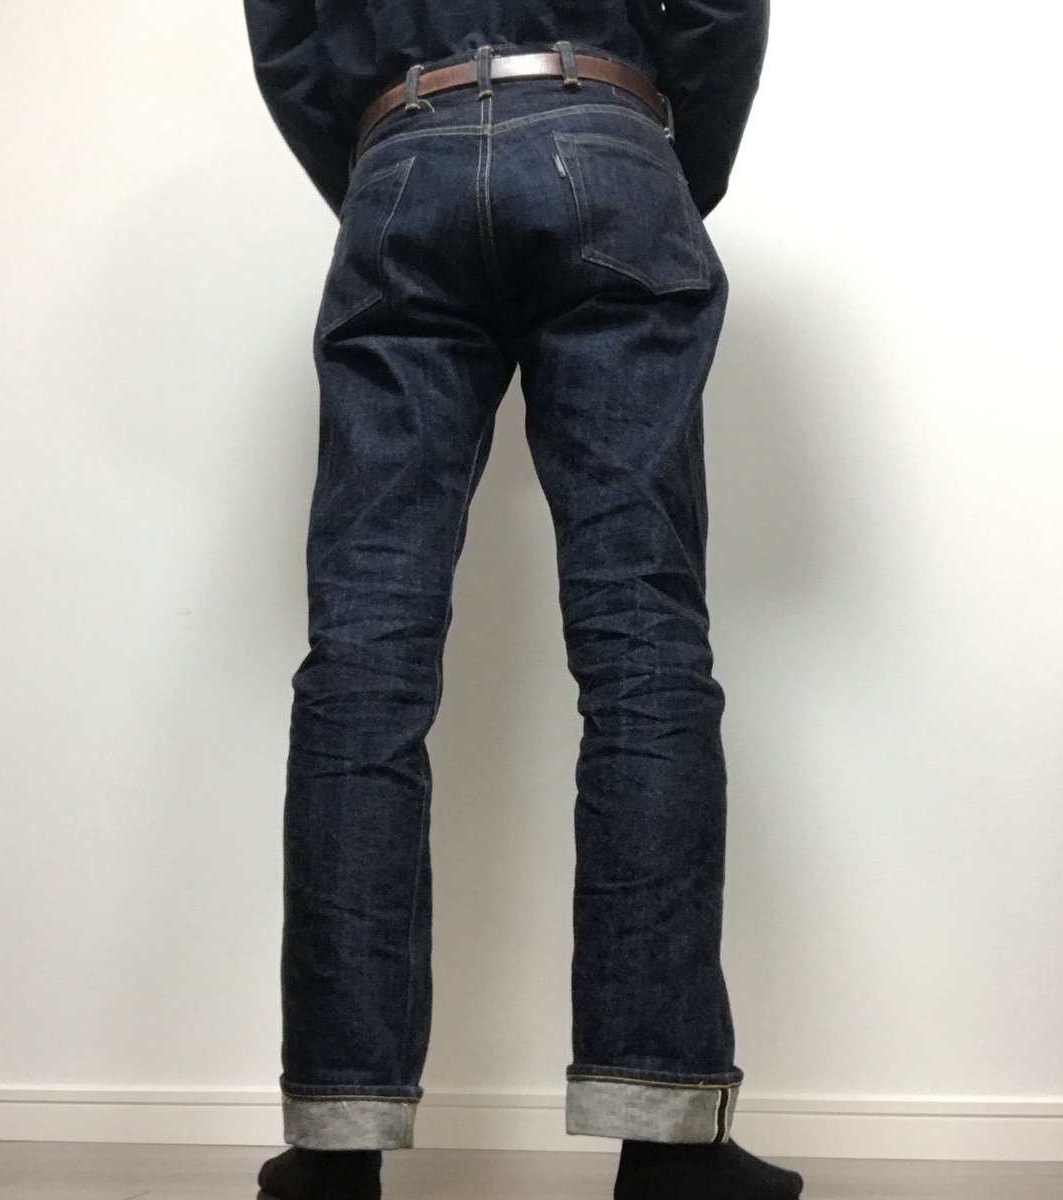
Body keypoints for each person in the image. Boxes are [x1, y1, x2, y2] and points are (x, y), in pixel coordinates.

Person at [242, 4, 801, 1199]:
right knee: (642, 636)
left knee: (364, 653)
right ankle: (667, 1135)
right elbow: (717, 12)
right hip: (608, 129)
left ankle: (332, 1147)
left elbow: (288, 32)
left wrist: (389, 155)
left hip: (403, 152)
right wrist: (654, 159)